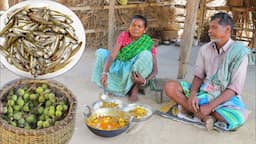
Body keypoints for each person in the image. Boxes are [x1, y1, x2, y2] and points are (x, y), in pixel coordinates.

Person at [164, 12, 254, 131]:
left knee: (238, 118)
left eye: (214, 27)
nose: (209, 31)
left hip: (223, 96)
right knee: (170, 87)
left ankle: (194, 110)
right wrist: (192, 95)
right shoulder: (205, 49)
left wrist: (210, 105)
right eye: (210, 27)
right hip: (203, 90)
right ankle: (204, 115)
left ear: (227, 29)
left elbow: (234, 88)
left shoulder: (239, 53)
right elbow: (198, 75)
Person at [92, 15, 158, 102]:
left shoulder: (148, 42)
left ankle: (135, 89)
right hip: (121, 66)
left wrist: (144, 81)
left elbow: (155, 70)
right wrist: (105, 72)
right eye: (133, 25)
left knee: (146, 55)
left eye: (139, 26)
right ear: (129, 26)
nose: (135, 28)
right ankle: (117, 85)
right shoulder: (124, 35)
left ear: (145, 30)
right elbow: (112, 55)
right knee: (101, 53)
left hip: (134, 71)